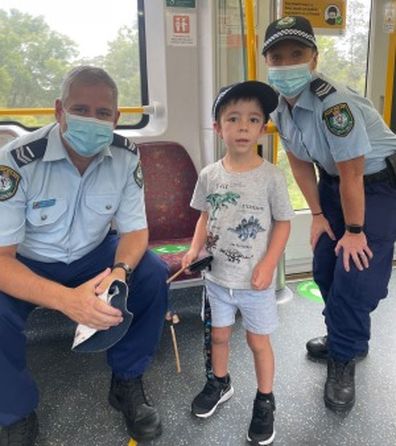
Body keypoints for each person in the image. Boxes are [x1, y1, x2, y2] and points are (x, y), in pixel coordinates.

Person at [0, 66, 169, 445]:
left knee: (152, 274)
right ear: (59, 110)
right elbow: (1, 257)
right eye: (80, 109)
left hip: (95, 255)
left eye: (102, 113)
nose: (91, 120)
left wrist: (121, 271)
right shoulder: (17, 161)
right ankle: (14, 411)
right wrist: (67, 301)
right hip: (28, 260)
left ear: (116, 117)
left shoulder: (126, 156)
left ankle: (126, 381)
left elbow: (136, 231)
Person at [262, 16, 396, 411]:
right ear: (266, 60)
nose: (287, 64)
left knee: (356, 271)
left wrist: (354, 230)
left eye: (297, 54)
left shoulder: (333, 104)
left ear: (314, 59)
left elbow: (354, 172)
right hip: (334, 187)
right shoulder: (279, 106)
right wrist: (318, 214)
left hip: (374, 186)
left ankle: (343, 357)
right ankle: (344, 336)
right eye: (277, 56)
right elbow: (299, 161)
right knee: (323, 264)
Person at [182, 81, 294, 445]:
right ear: (218, 127)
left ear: (263, 128)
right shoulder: (210, 175)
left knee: (258, 342)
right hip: (217, 278)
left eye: (252, 119)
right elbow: (203, 218)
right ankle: (220, 381)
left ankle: (265, 400)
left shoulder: (271, 177)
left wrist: (269, 264)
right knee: (219, 335)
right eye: (233, 119)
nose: (243, 126)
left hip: (255, 282)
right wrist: (194, 250)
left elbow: (283, 222)